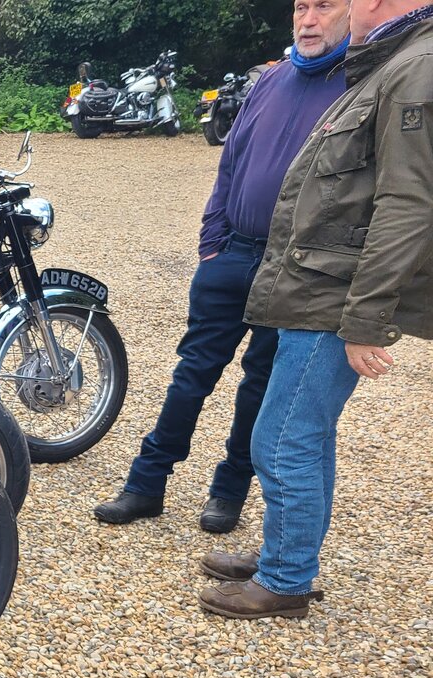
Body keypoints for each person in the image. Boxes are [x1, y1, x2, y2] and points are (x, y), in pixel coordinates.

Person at [199, 0, 433, 619]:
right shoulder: (392, 61)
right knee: (304, 434)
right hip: (321, 288)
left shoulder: (416, 66)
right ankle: (286, 555)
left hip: (336, 296)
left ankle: (286, 581)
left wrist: (366, 316)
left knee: (283, 439)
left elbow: (409, 204)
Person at [95, 0, 351, 534]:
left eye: (323, 7)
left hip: (294, 266)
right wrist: (212, 241)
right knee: (192, 374)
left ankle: (229, 491)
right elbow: (231, 157)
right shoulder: (271, 79)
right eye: (301, 7)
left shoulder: (358, 85)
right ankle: (146, 484)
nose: (308, 20)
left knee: (260, 382)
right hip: (232, 252)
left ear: (352, 12)